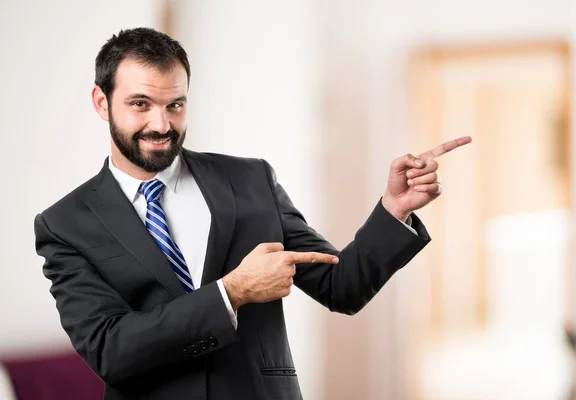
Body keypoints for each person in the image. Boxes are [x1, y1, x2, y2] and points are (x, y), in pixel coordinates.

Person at [34, 27, 471, 400]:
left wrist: (393, 210)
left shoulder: (249, 180)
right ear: (100, 102)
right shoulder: (66, 224)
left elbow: (342, 286)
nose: (162, 125)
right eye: (140, 104)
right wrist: (232, 293)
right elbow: (109, 349)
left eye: (176, 105)